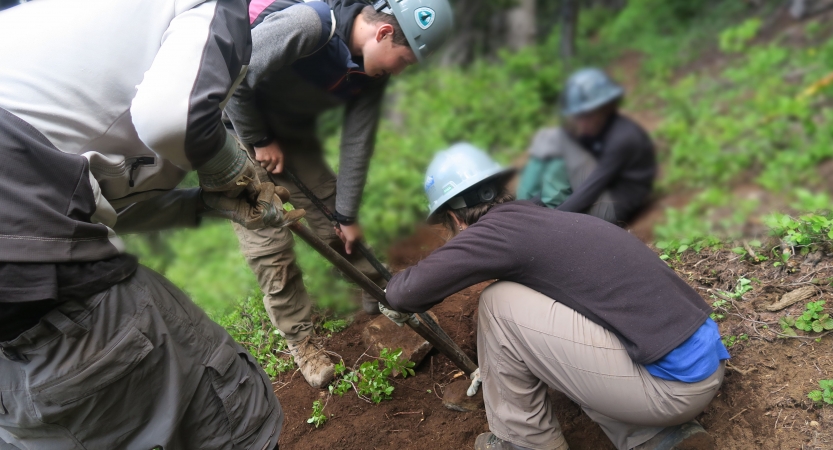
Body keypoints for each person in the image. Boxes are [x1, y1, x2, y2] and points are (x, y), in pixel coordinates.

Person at [0, 0, 290, 448]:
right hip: (69, 313)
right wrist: (228, 165)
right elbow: (174, 118)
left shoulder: (37, 33)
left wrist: (203, 204)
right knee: (233, 431)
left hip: (13, 373)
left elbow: (65, 208)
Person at [381, 144, 729, 450]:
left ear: (455, 217)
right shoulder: (546, 220)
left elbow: (406, 292)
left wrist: (392, 294)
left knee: (498, 302)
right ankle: (651, 437)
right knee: (556, 319)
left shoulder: (496, 233)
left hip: (671, 389)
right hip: (702, 366)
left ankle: (523, 442)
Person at [222, 0, 454, 388]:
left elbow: (356, 143)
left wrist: (346, 214)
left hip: (286, 131)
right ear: (383, 33)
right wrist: (259, 139)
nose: (401, 71)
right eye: (406, 61)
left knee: (330, 210)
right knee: (268, 239)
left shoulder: (371, 72)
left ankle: (379, 292)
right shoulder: (307, 25)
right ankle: (301, 342)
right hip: (228, 130)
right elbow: (234, 76)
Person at [517, 68, 656, 225]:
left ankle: (524, 213)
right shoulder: (602, 128)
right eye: (578, 116)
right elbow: (568, 178)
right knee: (553, 145)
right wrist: (535, 204)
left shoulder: (623, 139)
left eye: (587, 115)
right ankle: (522, 209)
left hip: (613, 208)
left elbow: (589, 189)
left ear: (606, 108)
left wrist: (552, 220)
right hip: (603, 192)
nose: (581, 123)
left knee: (556, 139)